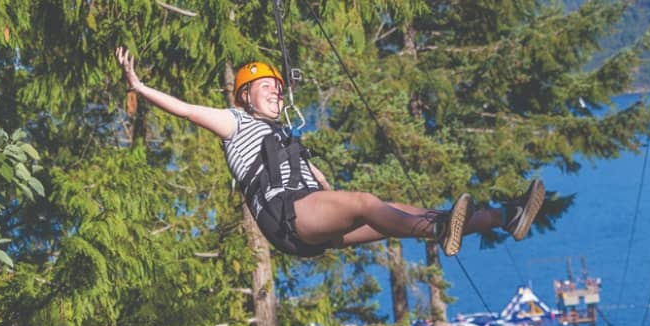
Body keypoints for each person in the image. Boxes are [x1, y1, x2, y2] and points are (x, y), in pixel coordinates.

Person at [114, 48, 545, 258]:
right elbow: (188, 109)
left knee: (403, 211)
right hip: (286, 215)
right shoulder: (235, 123)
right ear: (245, 96)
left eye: (278, 90)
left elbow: (295, 169)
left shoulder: (279, 133)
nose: (276, 94)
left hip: (305, 217)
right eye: (268, 88)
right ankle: (438, 231)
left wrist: (317, 177)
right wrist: (139, 86)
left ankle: (506, 216)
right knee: (367, 203)